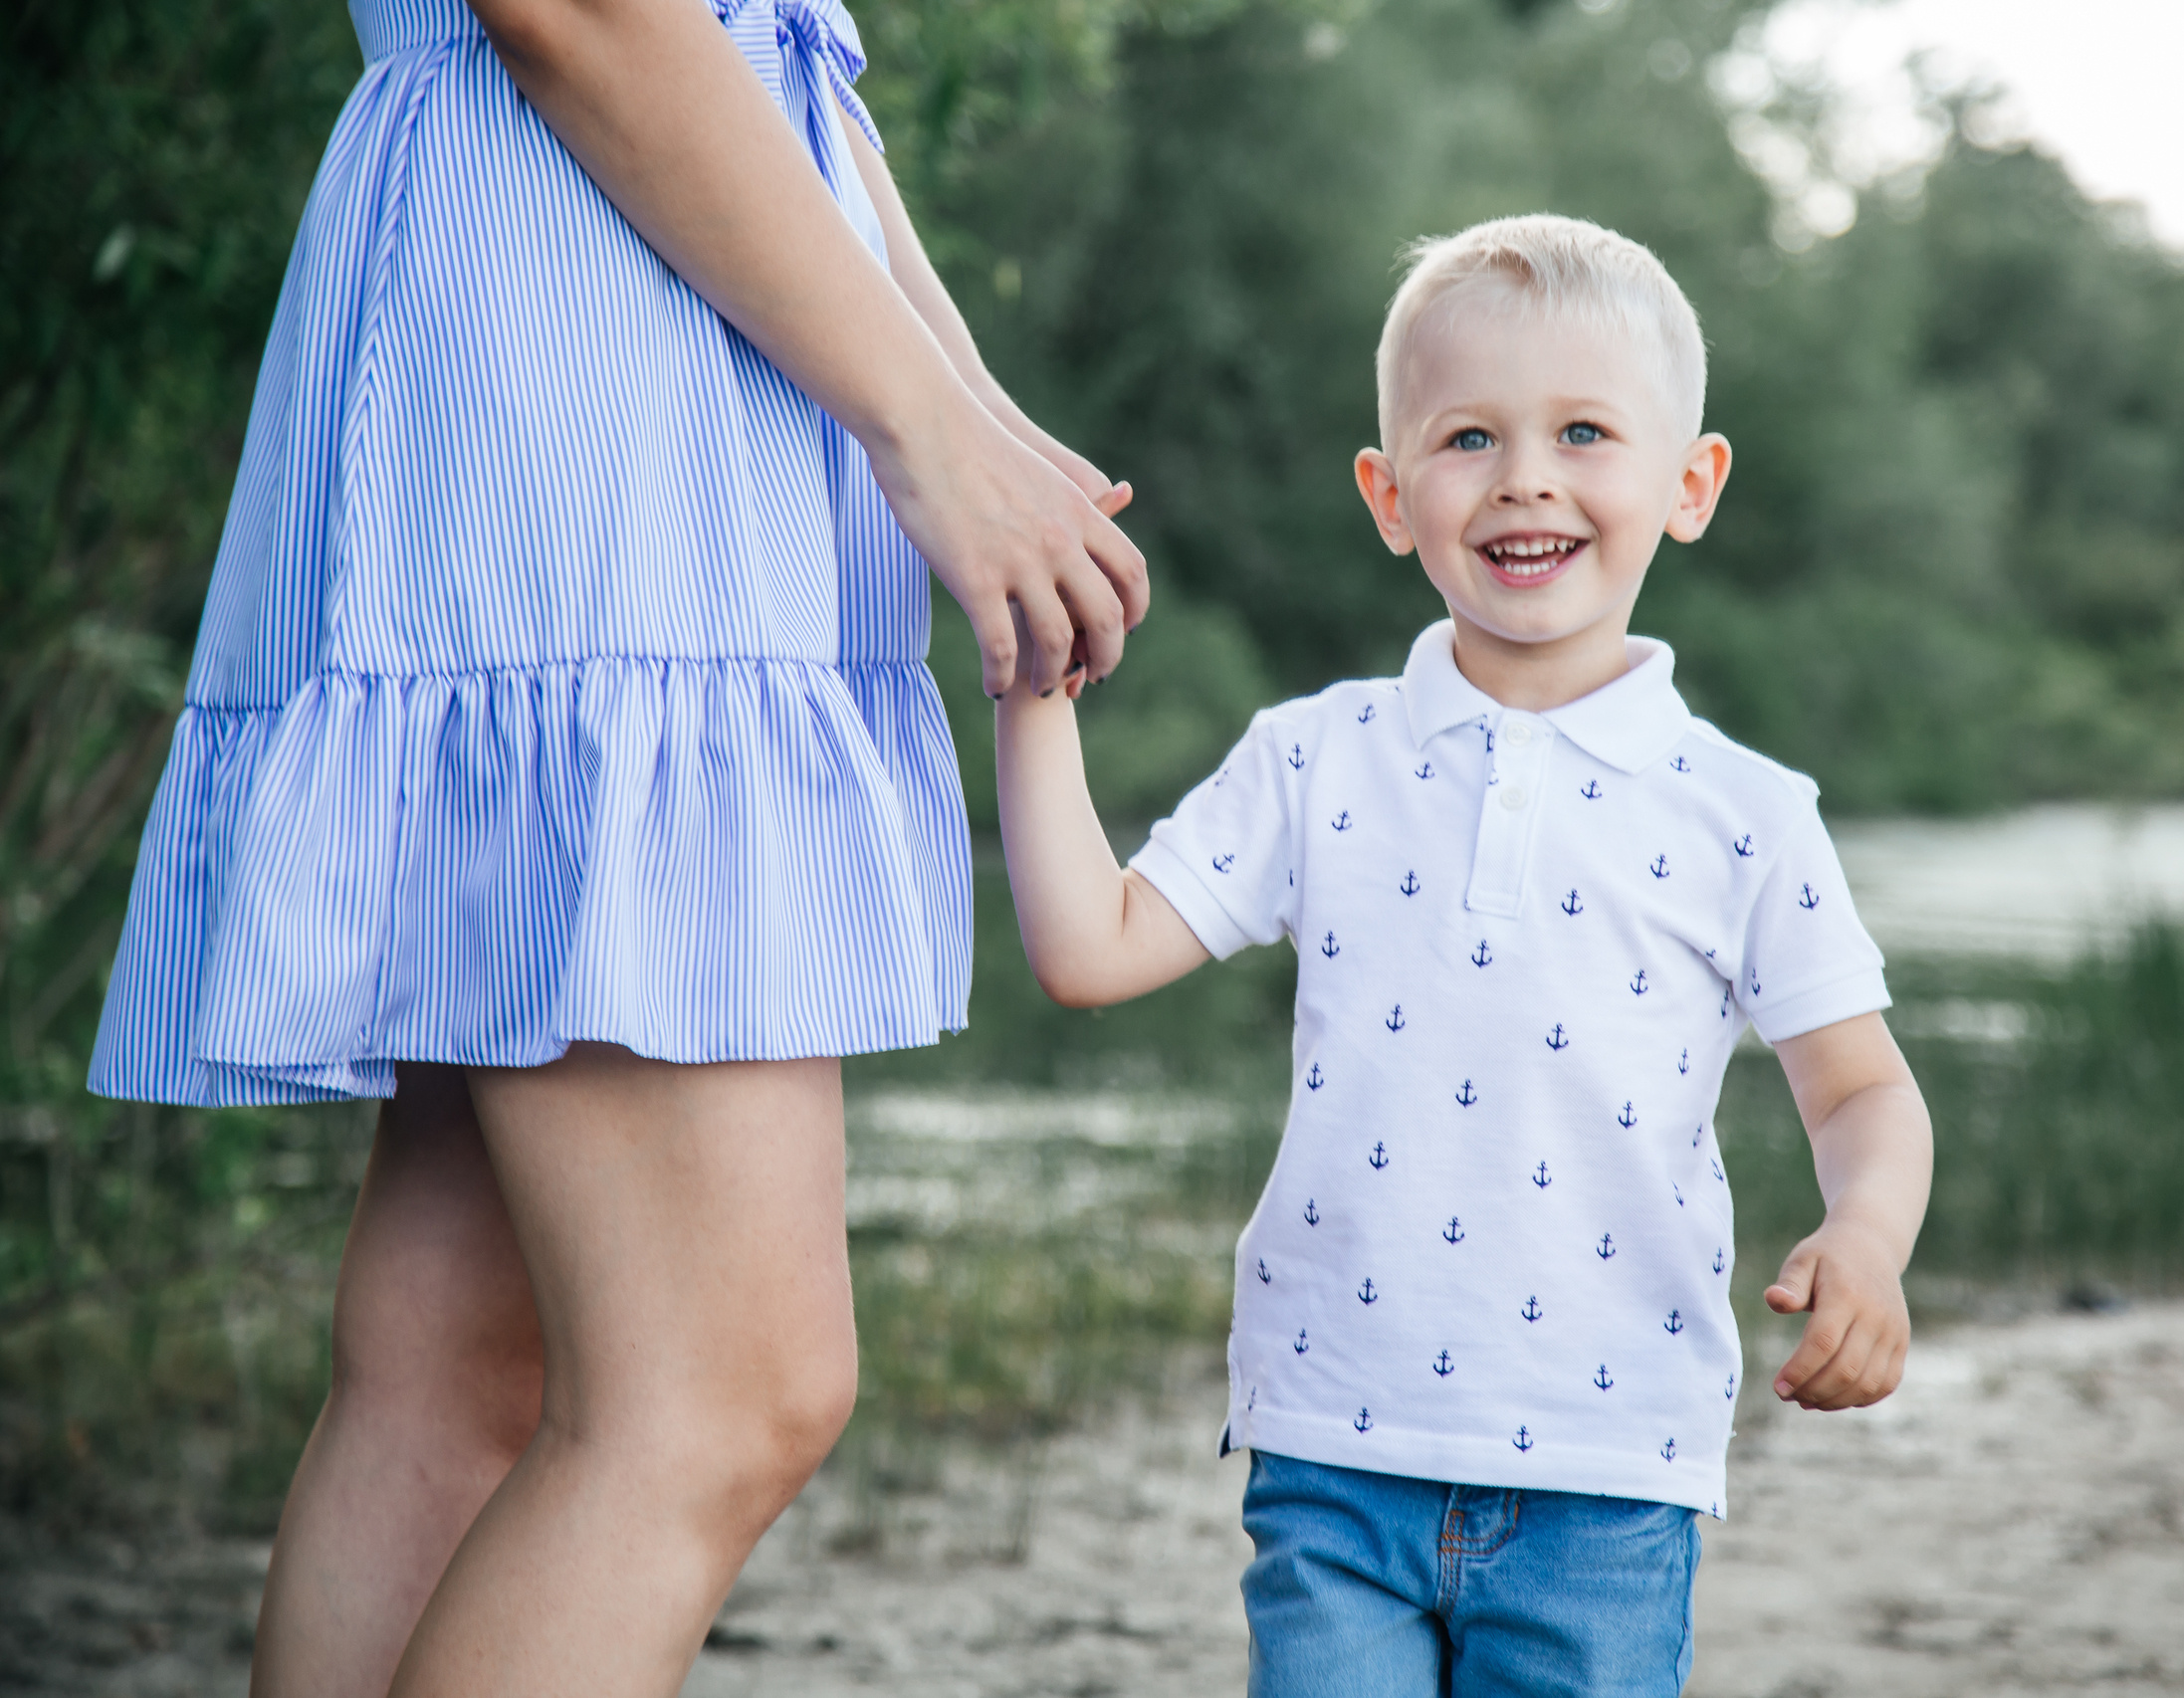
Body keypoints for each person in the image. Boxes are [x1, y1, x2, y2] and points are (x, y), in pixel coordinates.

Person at [83, 0, 1143, 1691]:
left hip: (623, 342)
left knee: (469, 1378)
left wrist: (965, 410)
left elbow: (775, 57)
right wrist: (923, 432)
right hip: (600, 391)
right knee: (720, 1392)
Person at [993, 214, 1934, 1696]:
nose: (1527, 478)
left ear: (1690, 484)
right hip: (1332, 1441)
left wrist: (1867, 1238)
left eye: (1583, 430)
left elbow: (1862, 1091)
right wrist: (1035, 689)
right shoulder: (1315, 759)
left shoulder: (1748, 815)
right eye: (1469, 437)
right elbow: (1088, 949)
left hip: (1611, 1458)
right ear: (1389, 493)